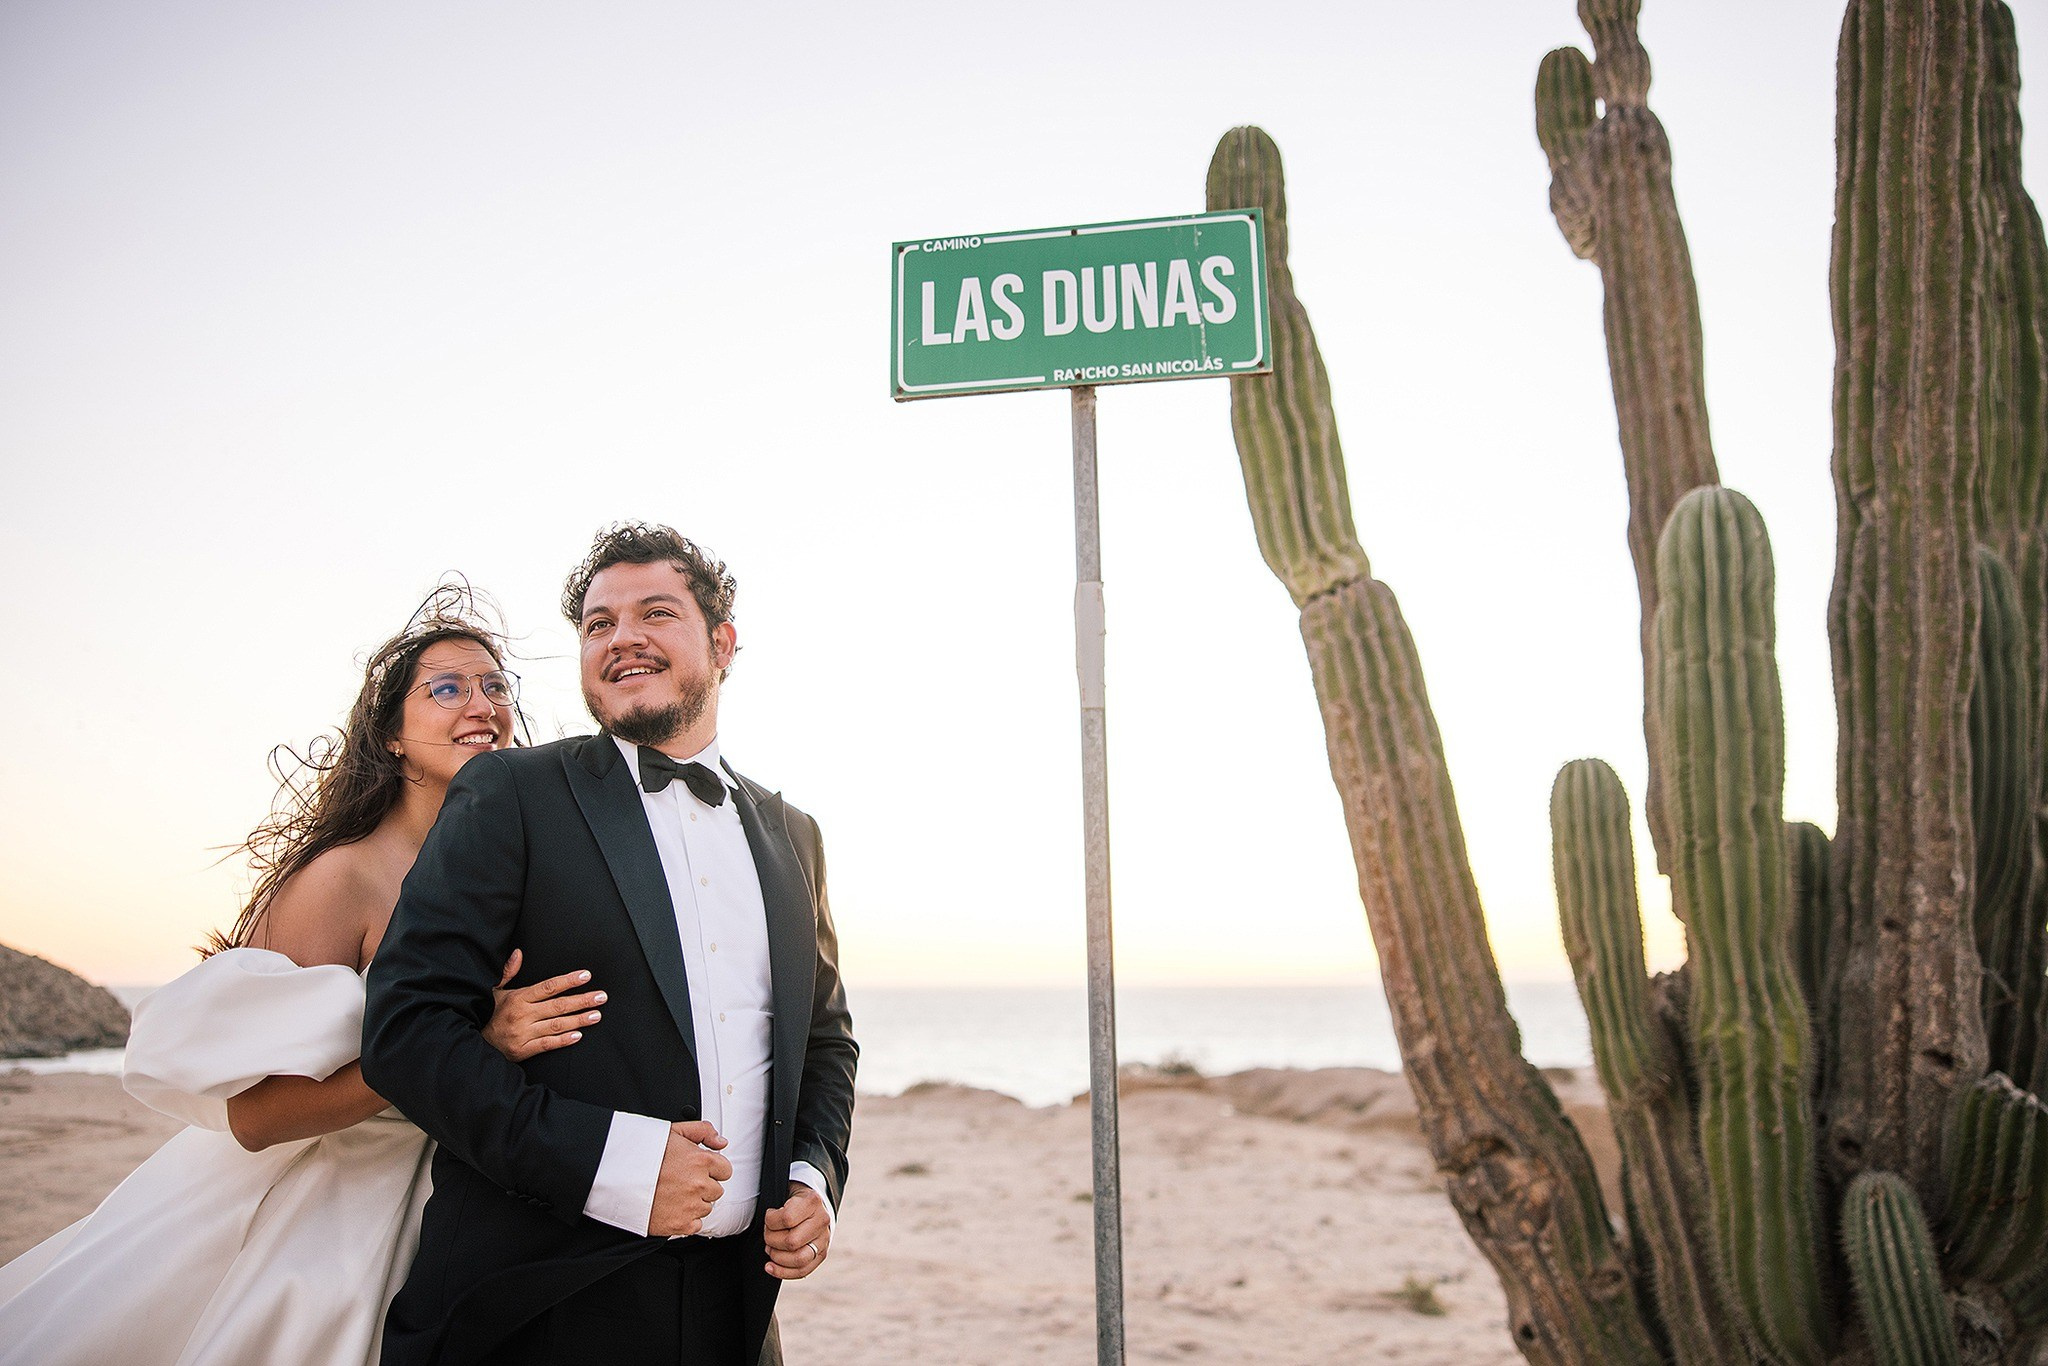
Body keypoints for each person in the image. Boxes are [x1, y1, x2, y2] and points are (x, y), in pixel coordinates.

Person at [0, 587, 604, 1366]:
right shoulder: (340, 880)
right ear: (390, 734)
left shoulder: (509, 868)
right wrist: (466, 1051)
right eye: (445, 689)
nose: (480, 705)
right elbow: (257, 1118)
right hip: (321, 1214)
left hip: (462, 1199)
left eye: (495, 686)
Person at [362, 523, 858, 1366]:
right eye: (598, 624)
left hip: (736, 1317)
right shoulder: (511, 793)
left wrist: (814, 1178)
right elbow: (406, 1036)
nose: (621, 637)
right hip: (534, 1309)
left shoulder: (793, 834)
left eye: (655, 613)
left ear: (722, 644)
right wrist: (611, 1163)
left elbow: (824, 1040)